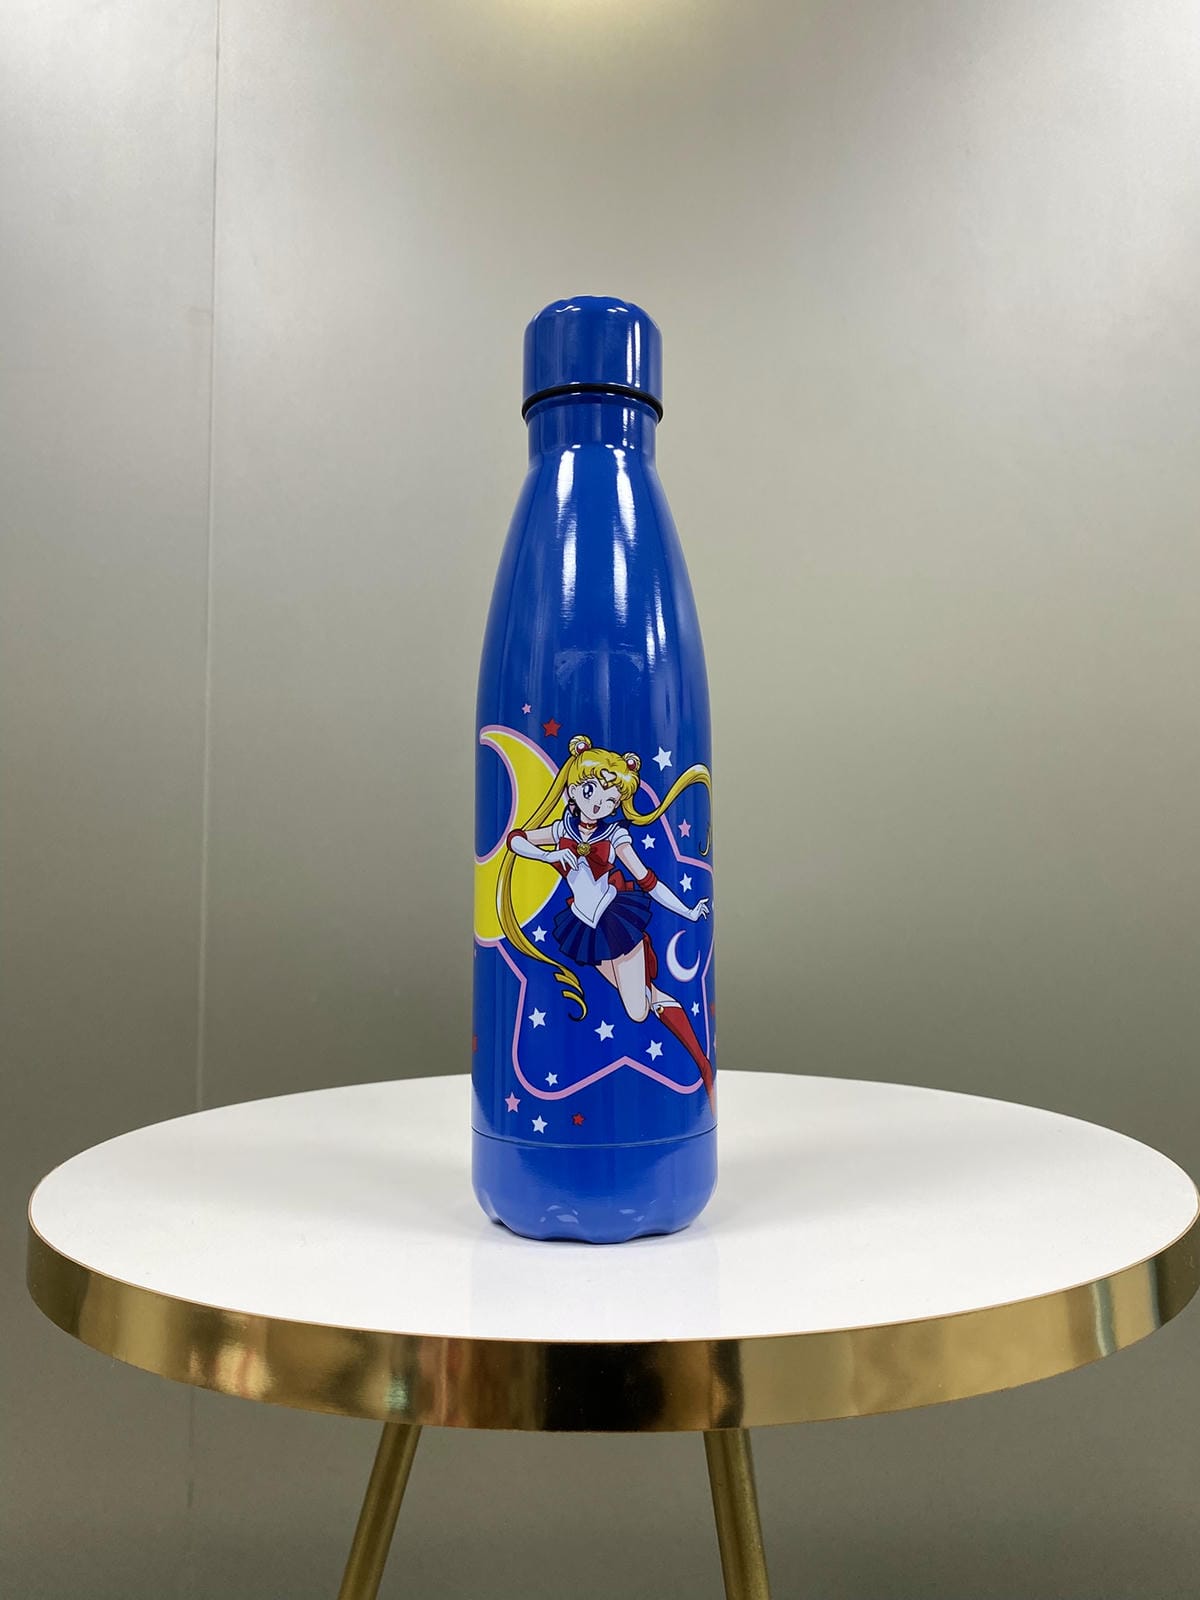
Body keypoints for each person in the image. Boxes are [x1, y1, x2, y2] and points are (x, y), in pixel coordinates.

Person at [499, 735, 714, 1104]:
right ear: (573, 788)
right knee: (646, 997)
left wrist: (689, 911)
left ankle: (699, 1059)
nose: (599, 803)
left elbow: (649, 881)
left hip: (617, 922)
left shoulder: (615, 835)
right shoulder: (562, 829)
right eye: (591, 791)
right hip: (584, 929)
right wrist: (549, 856)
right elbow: (516, 840)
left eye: (611, 800)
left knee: (637, 1011)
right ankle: (701, 1062)